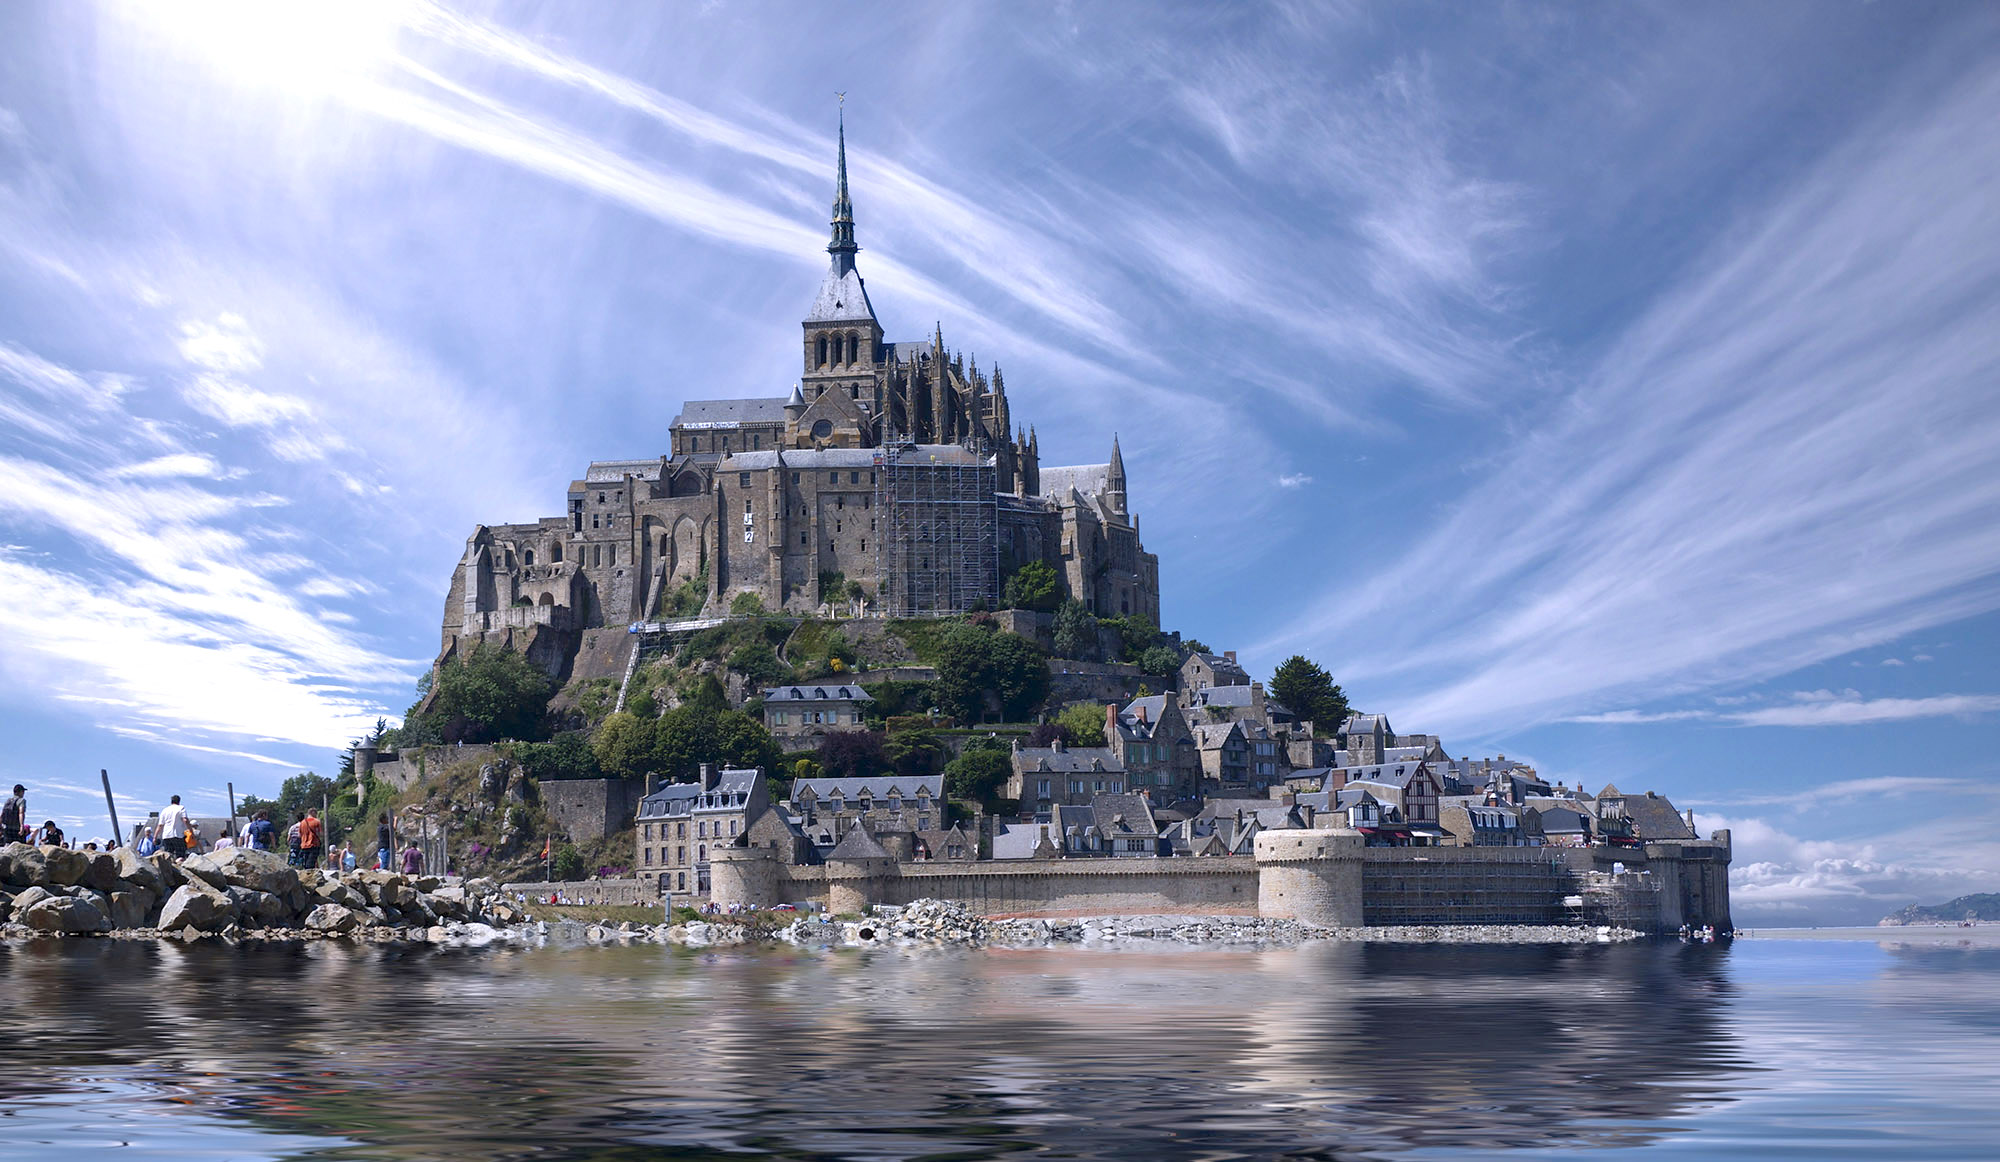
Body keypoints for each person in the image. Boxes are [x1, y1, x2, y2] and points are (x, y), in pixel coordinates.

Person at [156, 795, 191, 860]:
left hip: (166, 836)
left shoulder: (165, 810)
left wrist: (155, 837)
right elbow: (185, 820)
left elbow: (160, 825)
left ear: (171, 801)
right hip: (178, 835)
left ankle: (169, 869)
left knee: (168, 856)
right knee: (180, 855)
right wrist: (191, 831)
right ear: (179, 801)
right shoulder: (181, 808)